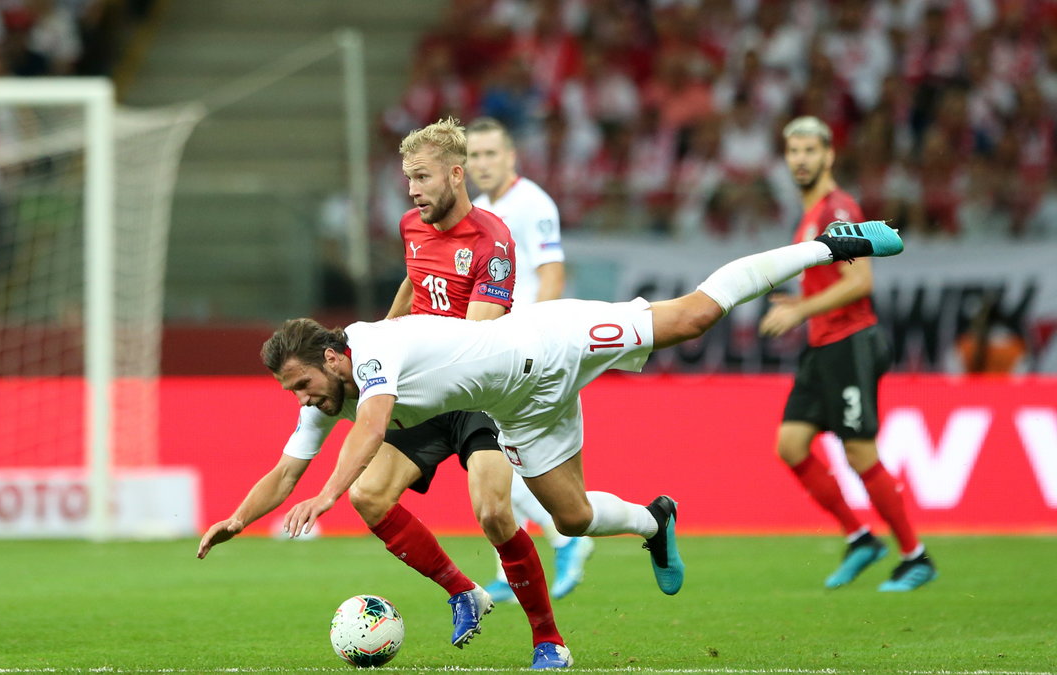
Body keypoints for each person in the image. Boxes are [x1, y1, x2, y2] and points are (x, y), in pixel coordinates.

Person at [252, 221, 902, 662]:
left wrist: (332, 493)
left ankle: (830, 245)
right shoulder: (326, 392)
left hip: (553, 340)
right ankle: (655, 521)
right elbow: (284, 472)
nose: (303, 399)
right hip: (523, 409)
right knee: (575, 515)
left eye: (302, 384)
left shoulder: (370, 349)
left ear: (333, 357)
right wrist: (232, 521)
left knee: (695, 314)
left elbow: (371, 426)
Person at [200, 118, 573, 670]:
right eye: (407, 179)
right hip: (416, 385)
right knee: (369, 496)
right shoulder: (410, 227)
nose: (413, 190)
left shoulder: (493, 239)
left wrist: (392, 354)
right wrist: (383, 337)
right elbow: (415, 280)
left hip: (473, 390)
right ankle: (462, 591)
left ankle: (549, 641)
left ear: (454, 173)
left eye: (421, 177)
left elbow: (476, 342)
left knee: (493, 512)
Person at [758, 116, 937, 592]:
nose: (800, 159)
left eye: (809, 151)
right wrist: (802, 309)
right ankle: (860, 538)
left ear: (828, 155)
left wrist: (800, 310)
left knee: (859, 452)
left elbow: (860, 282)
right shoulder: (812, 213)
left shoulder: (836, 212)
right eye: (793, 151)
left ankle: (915, 555)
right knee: (791, 445)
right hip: (823, 346)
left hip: (851, 342)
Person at [466, 116, 593, 603]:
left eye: (490, 154)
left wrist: (538, 337)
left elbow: (552, 275)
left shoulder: (533, 203)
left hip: (528, 350)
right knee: (491, 456)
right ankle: (513, 562)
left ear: (511, 156)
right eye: (474, 156)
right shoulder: (476, 208)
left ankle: (566, 541)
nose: (482, 164)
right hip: (491, 350)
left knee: (506, 454)